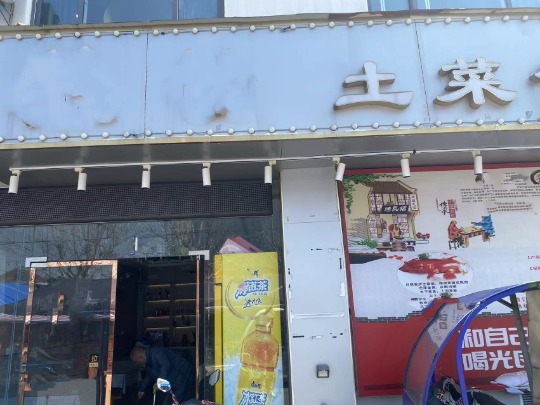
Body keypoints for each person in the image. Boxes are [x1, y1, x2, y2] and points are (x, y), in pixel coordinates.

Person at [131, 345, 195, 405]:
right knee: (168, 402)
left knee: (178, 400)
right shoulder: (149, 363)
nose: (137, 363)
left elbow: (165, 365)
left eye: (136, 361)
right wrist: (141, 389)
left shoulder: (156, 353)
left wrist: (159, 381)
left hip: (184, 376)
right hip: (174, 382)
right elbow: (149, 376)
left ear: (140, 357)